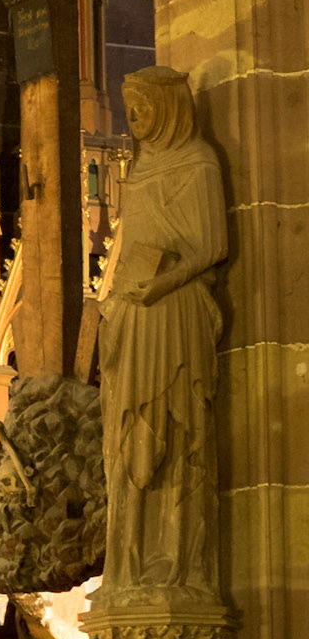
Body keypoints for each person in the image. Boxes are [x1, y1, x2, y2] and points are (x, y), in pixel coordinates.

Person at [100, 66, 228, 598]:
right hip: (135, 318)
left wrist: (162, 284)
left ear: (172, 106)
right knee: (127, 442)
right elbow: (131, 251)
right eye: (130, 109)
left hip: (175, 314)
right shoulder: (142, 168)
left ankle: (178, 564)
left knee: (177, 435)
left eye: (144, 106)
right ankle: (126, 566)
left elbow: (213, 248)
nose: (135, 117)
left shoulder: (199, 163)